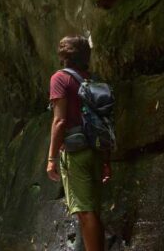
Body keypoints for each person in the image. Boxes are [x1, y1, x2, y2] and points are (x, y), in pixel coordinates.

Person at [47, 35, 111, 251]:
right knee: (93, 210)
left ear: (63, 56)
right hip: (96, 149)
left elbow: (60, 120)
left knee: (85, 211)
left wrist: (51, 157)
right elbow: (104, 119)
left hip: (76, 152)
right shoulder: (92, 79)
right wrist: (106, 159)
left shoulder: (59, 79)